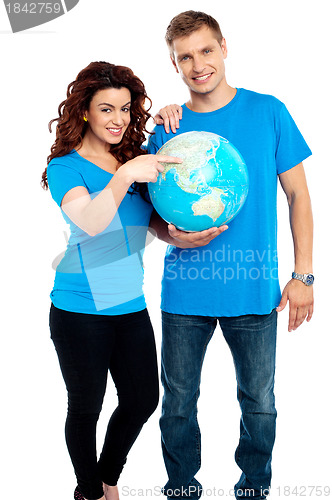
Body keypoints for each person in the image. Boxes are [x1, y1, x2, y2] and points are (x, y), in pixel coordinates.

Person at [148, 11, 314, 500]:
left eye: (205, 50)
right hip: (185, 291)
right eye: (185, 57)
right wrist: (172, 237)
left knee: (259, 402)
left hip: (255, 287)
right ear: (174, 63)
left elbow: (298, 196)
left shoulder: (269, 111)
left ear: (223, 46)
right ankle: (180, 488)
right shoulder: (167, 128)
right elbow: (150, 217)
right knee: (177, 403)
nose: (198, 64)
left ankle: (254, 489)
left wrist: (303, 275)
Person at [41, 61, 183, 500]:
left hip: (128, 305)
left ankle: (105, 477)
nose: (119, 119)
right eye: (107, 109)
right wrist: (124, 175)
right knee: (86, 407)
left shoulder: (131, 158)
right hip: (79, 309)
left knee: (142, 400)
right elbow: (92, 219)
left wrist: (179, 233)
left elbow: (152, 226)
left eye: (126, 108)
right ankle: (91, 491)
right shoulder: (68, 167)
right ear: (84, 111)